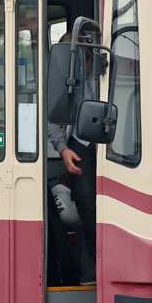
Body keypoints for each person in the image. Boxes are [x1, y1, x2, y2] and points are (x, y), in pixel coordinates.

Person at [47, 31, 98, 285]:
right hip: (80, 144)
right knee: (87, 203)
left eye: (85, 58)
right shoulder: (62, 79)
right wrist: (63, 148)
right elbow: (52, 117)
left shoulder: (105, 72)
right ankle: (97, 264)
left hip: (114, 140)